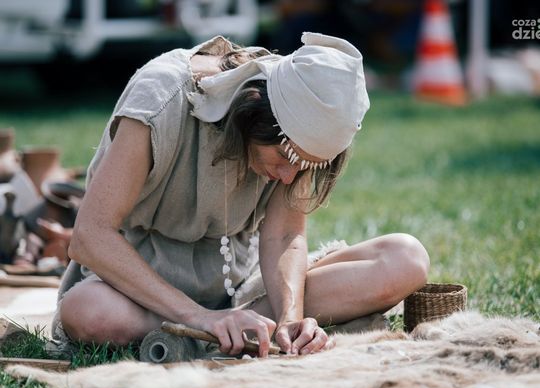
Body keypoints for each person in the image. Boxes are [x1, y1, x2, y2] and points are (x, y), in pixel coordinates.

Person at [52, 32, 429, 358]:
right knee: (89, 312)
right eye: (284, 157)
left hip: (244, 292)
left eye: (305, 166)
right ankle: (208, 331)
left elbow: (284, 235)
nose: (288, 176)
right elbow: (90, 236)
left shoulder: (299, 115)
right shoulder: (161, 98)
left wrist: (291, 320)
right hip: (141, 293)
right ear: (253, 112)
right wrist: (201, 317)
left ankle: (245, 330)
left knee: (405, 258)